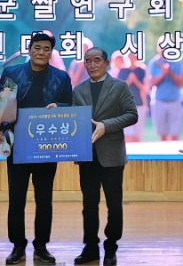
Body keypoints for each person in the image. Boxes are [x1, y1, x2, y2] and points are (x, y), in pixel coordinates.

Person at [0, 32, 73, 265]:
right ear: (29, 50)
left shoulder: (61, 77)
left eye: (46, 49)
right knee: (16, 198)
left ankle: (41, 247)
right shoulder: (12, 73)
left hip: (47, 146)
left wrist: (59, 106)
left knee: (44, 199)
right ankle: (18, 247)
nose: (41, 52)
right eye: (37, 47)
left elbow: (71, 105)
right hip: (18, 144)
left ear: (51, 53)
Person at [71, 47, 138, 266]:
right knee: (89, 205)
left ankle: (111, 247)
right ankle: (90, 247)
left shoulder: (120, 86)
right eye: (88, 61)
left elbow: (132, 115)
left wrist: (106, 125)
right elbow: (73, 117)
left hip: (112, 155)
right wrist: (57, 110)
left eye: (97, 60)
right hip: (86, 155)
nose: (92, 65)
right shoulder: (78, 90)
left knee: (114, 204)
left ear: (106, 63)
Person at [147, 37, 183, 141]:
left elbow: (180, 83)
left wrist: (169, 72)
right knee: (162, 135)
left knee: (175, 135)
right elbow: (151, 83)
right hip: (159, 101)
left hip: (175, 101)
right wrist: (163, 73)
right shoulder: (154, 62)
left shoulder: (177, 61)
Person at [117, 52, 148, 142]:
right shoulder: (123, 71)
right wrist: (129, 81)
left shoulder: (141, 70)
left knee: (137, 135)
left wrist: (136, 81)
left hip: (139, 104)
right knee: (127, 134)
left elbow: (145, 89)